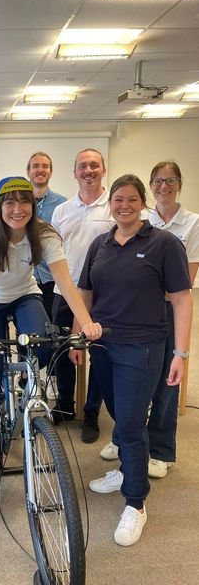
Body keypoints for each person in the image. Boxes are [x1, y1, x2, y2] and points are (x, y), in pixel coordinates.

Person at [71, 174, 192, 546]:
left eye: (131, 199)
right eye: (117, 200)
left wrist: (181, 353)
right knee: (117, 414)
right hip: (102, 345)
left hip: (142, 347)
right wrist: (78, 336)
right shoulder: (101, 243)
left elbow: (182, 299)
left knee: (131, 422)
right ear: (110, 205)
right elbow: (84, 293)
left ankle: (136, 502)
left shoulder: (164, 244)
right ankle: (126, 470)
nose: (124, 206)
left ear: (143, 203)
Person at [0, 176, 103, 480]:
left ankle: (27, 377)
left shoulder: (44, 233)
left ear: (33, 205)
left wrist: (87, 323)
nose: (18, 209)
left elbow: (66, 282)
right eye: (10, 202)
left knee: (45, 344)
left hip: (25, 295)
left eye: (25, 201)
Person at [100, 162, 199, 475]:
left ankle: (160, 450)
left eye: (170, 180)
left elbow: (184, 282)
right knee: (128, 389)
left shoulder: (190, 223)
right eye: (158, 181)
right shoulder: (142, 220)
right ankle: (125, 438)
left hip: (165, 308)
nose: (163, 186)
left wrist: (151, 284)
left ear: (179, 184)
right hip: (133, 309)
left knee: (165, 383)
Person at [50, 148, 114, 442]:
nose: (88, 171)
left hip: (103, 295)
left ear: (103, 170)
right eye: (82, 166)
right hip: (65, 292)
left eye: (94, 165)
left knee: (99, 354)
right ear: (74, 172)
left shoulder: (113, 207)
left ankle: (91, 413)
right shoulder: (62, 210)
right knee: (63, 351)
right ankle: (65, 405)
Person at [26, 152, 67, 321]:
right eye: (35, 166)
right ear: (28, 171)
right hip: (24, 278)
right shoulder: (18, 202)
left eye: (45, 166)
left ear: (51, 172)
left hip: (52, 279)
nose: (40, 170)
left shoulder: (63, 205)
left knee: (54, 326)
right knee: (28, 328)